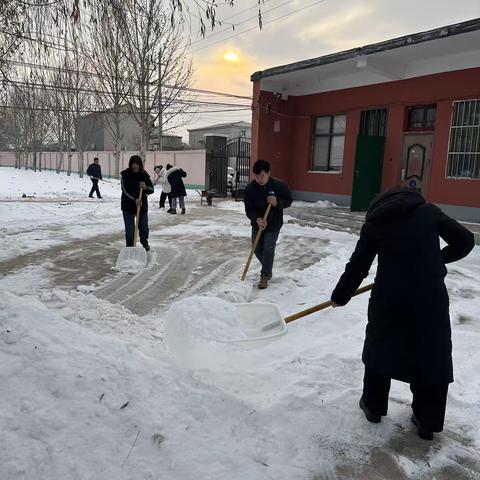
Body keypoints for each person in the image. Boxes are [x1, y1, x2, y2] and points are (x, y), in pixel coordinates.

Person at [330, 187, 475, 441]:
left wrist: (340, 296)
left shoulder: (375, 224)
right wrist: (438, 260)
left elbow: (358, 266)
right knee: (430, 353)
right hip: (429, 299)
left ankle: (373, 407)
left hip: (390, 299)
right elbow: (465, 240)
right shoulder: (429, 212)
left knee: (380, 347)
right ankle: (427, 421)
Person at [244, 159, 292, 289]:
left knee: (268, 249)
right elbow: (249, 209)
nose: (260, 179)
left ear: (269, 173)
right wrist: (257, 219)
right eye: (257, 176)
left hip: (273, 223)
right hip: (258, 223)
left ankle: (264, 275)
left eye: (262, 176)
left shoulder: (279, 186)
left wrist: (277, 202)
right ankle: (268, 268)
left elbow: (289, 200)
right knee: (256, 248)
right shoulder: (250, 189)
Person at [120, 155, 154, 251]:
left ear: (140, 165)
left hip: (142, 206)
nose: (135, 166)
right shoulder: (125, 175)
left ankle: (145, 243)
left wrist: (146, 187)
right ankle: (130, 248)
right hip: (128, 206)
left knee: (143, 228)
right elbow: (124, 190)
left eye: (137, 164)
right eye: (133, 164)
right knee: (130, 230)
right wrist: (134, 199)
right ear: (130, 164)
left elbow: (152, 189)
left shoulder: (144, 175)